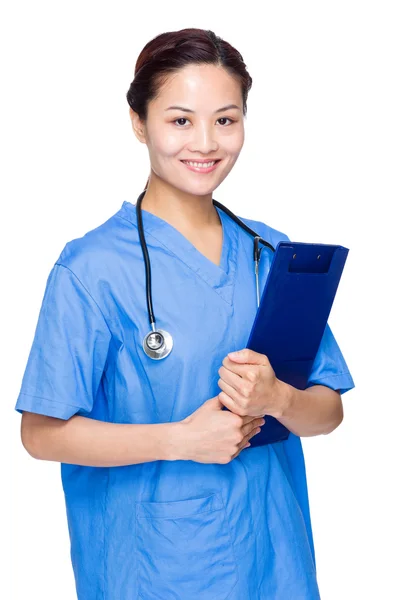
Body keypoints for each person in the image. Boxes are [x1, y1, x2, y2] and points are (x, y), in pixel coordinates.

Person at [15, 27, 355, 600]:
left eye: (226, 119)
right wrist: (180, 440)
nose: (206, 142)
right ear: (138, 122)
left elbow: (328, 413)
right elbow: (41, 434)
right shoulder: (92, 267)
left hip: (275, 563)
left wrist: (279, 400)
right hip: (150, 569)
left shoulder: (271, 256)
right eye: (180, 120)